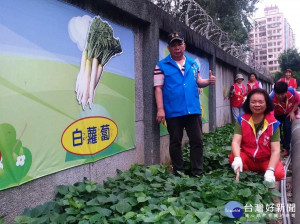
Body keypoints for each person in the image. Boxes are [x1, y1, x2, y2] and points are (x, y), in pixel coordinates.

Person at [153, 31, 216, 177]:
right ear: (169, 48)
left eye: (179, 44)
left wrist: (208, 81)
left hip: (193, 110)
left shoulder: (193, 64)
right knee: (175, 143)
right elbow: (158, 88)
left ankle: (197, 172)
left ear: (184, 45)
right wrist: (160, 109)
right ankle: (179, 172)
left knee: (197, 141)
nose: (177, 47)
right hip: (173, 111)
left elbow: (198, 81)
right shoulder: (161, 65)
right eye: (173, 45)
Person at [229, 88, 285, 184]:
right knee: (232, 157)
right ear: (248, 103)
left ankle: (266, 172)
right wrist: (237, 157)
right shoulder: (242, 120)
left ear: (266, 103)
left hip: (265, 159)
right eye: (253, 102)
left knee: (278, 174)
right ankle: (248, 172)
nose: (257, 105)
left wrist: (271, 170)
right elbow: (236, 142)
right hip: (248, 157)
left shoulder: (273, 124)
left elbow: (276, 150)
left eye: (261, 102)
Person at [270, 81, 300, 156]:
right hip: (277, 114)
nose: (280, 96)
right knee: (276, 128)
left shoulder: (292, 92)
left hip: (288, 113)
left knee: (287, 127)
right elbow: (270, 111)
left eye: (282, 94)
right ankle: (279, 144)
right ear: (275, 92)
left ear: (286, 92)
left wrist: (293, 112)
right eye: (278, 94)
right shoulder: (271, 98)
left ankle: (286, 148)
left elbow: (297, 101)